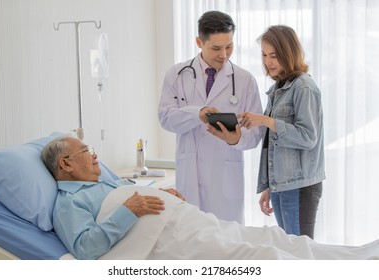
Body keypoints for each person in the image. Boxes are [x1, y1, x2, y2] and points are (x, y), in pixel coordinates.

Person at [42, 136, 379, 260]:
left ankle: (365, 256)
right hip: (164, 243)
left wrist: (151, 195)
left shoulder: (104, 184)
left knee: (271, 237)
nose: (96, 156)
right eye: (87, 150)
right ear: (66, 163)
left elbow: (129, 200)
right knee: (258, 255)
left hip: (183, 221)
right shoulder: (68, 202)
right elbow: (86, 248)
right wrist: (131, 208)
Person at [158, 10, 263, 224]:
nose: (224, 54)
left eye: (229, 46)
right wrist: (197, 114)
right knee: (191, 240)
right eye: (216, 48)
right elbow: (165, 117)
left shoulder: (245, 80)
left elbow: (256, 131)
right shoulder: (177, 74)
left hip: (225, 179)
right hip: (190, 175)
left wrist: (236, 138)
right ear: (199, 41)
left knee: (227, 243)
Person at [238, 25, 325, 239]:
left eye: (274, 55)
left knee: (300, 253)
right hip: (282, 185)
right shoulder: (279, 88)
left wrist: (266, 120)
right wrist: (270, 186)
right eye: (264, 55)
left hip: (300, 185)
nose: (268, 62)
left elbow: (308, 137)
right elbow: (274, 145)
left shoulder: (303, 87)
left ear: (288, 53)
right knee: (289, 249)